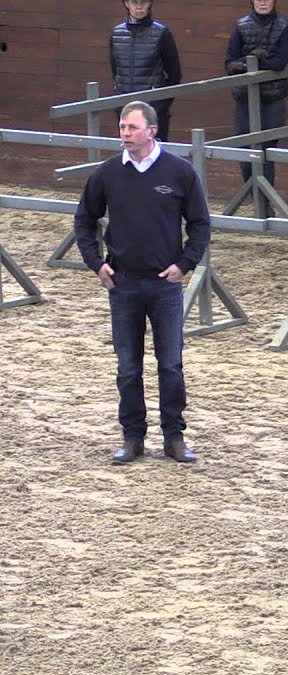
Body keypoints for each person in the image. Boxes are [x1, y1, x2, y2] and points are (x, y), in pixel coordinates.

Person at [74, 100, 208, 465]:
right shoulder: (107, 174)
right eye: (121, 128)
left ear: (152, 130)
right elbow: (84, 220)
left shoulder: (179, 172)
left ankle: (174, 437)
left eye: (131, 128)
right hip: (124, 285)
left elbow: (200, 224)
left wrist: (185, 264)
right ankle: (132, 437)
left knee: (170, 365)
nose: (124, 134)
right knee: (128, 366)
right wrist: (96, 264)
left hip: (164, 285)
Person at [224, 0, 288, 188]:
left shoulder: (284, 25)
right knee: (245, 153)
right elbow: (229, 62)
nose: (262, 2)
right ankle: (256, 198)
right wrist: (251, 60)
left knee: (265, 152)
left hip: (272, 98)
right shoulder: (241, 25)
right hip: (245, 98)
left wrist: (247, 64)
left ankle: (265, 204)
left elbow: (279, 63)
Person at [109, 0, 181, 142]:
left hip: (153, 108)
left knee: (156, 154)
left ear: (150, 4)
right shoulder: (116, 34)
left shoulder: (161, 33)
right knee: (129, 152)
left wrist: (161, 103)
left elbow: (174, 73)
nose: (139, 6)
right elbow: (115, 70)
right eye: (134, 2)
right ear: (126, 4)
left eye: (144, 2)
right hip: (125, 105)